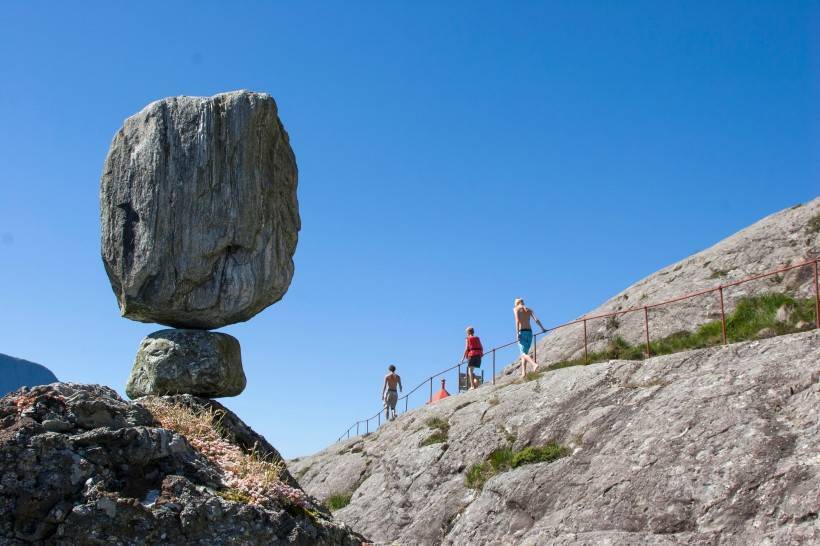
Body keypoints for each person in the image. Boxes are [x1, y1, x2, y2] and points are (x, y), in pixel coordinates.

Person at [515, 298, 545, 377]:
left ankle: (534, 364)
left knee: (523, 354)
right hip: (529, 332)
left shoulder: (516, 309)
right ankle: (523, 373)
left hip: (522, 332)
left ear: (516, 303)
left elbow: (517, 321)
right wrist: (542, 328)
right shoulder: (529, 310)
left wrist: (517, 333)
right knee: (524, 353)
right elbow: (536, 320)